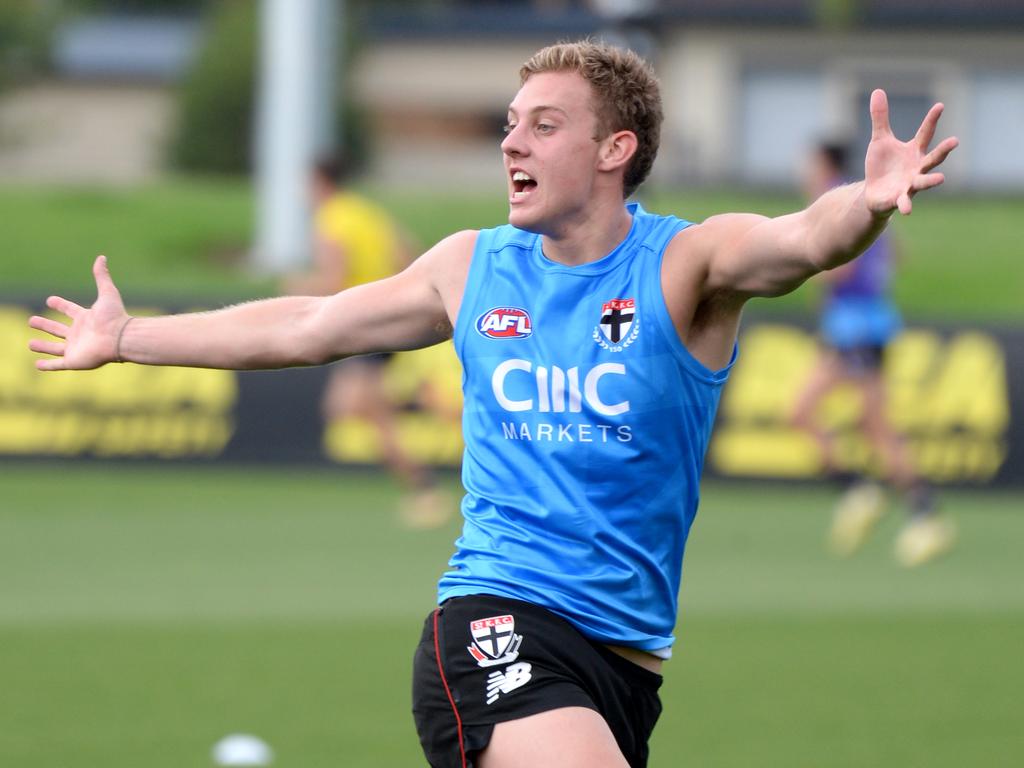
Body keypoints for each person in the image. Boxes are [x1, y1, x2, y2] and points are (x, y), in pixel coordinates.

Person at [28, 41, 957, 768]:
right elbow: (310, 321)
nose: (511, 142)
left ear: (614, 149)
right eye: (510, 124)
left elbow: (801, 240)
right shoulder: (470, 266)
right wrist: (129, 336)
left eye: (544, 125)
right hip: (494, 623)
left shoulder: (685, 264)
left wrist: (867, 203)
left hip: (626, 664)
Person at [791, 141, 956, 566]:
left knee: (806, 412)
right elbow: (898, 253)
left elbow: (839, 267)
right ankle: (913, 510)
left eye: (808, 161)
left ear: (823, 163)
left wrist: (797, 275)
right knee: (872, 425)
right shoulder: (861, 194)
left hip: (855, 330)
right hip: (867, 325)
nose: (803, 170)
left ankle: (866, 494)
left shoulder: (829, 196)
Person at [284, 155, 451, 529]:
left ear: (317, 182)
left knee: (347, 407)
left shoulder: (331, 220)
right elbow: (408, 253)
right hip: (386, 317)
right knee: (361, 410)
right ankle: (421, 480)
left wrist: (297, 287)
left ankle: (423, 473)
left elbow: (334, 281)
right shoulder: (367, 213)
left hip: (363, 324)